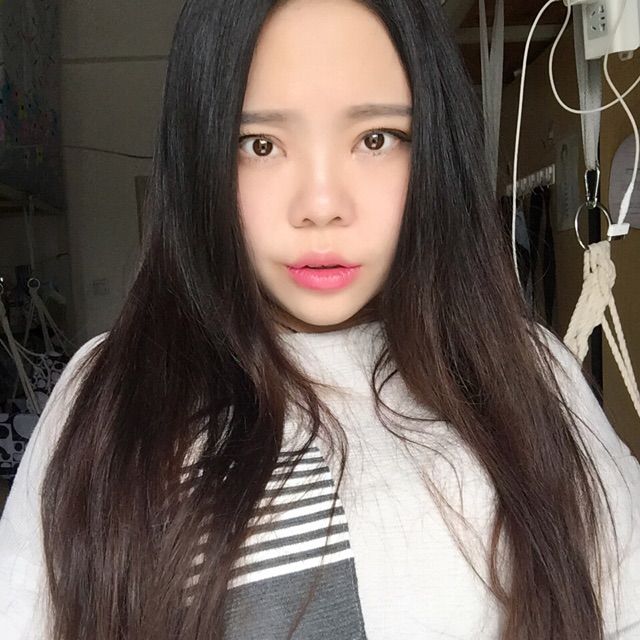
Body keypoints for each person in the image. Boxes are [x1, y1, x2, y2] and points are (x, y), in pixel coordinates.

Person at [1, 0, 639, 638]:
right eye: (261, 145)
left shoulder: (527, 371)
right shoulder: (110, 393)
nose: (322, 205)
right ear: (199, 161)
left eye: (375, 139)